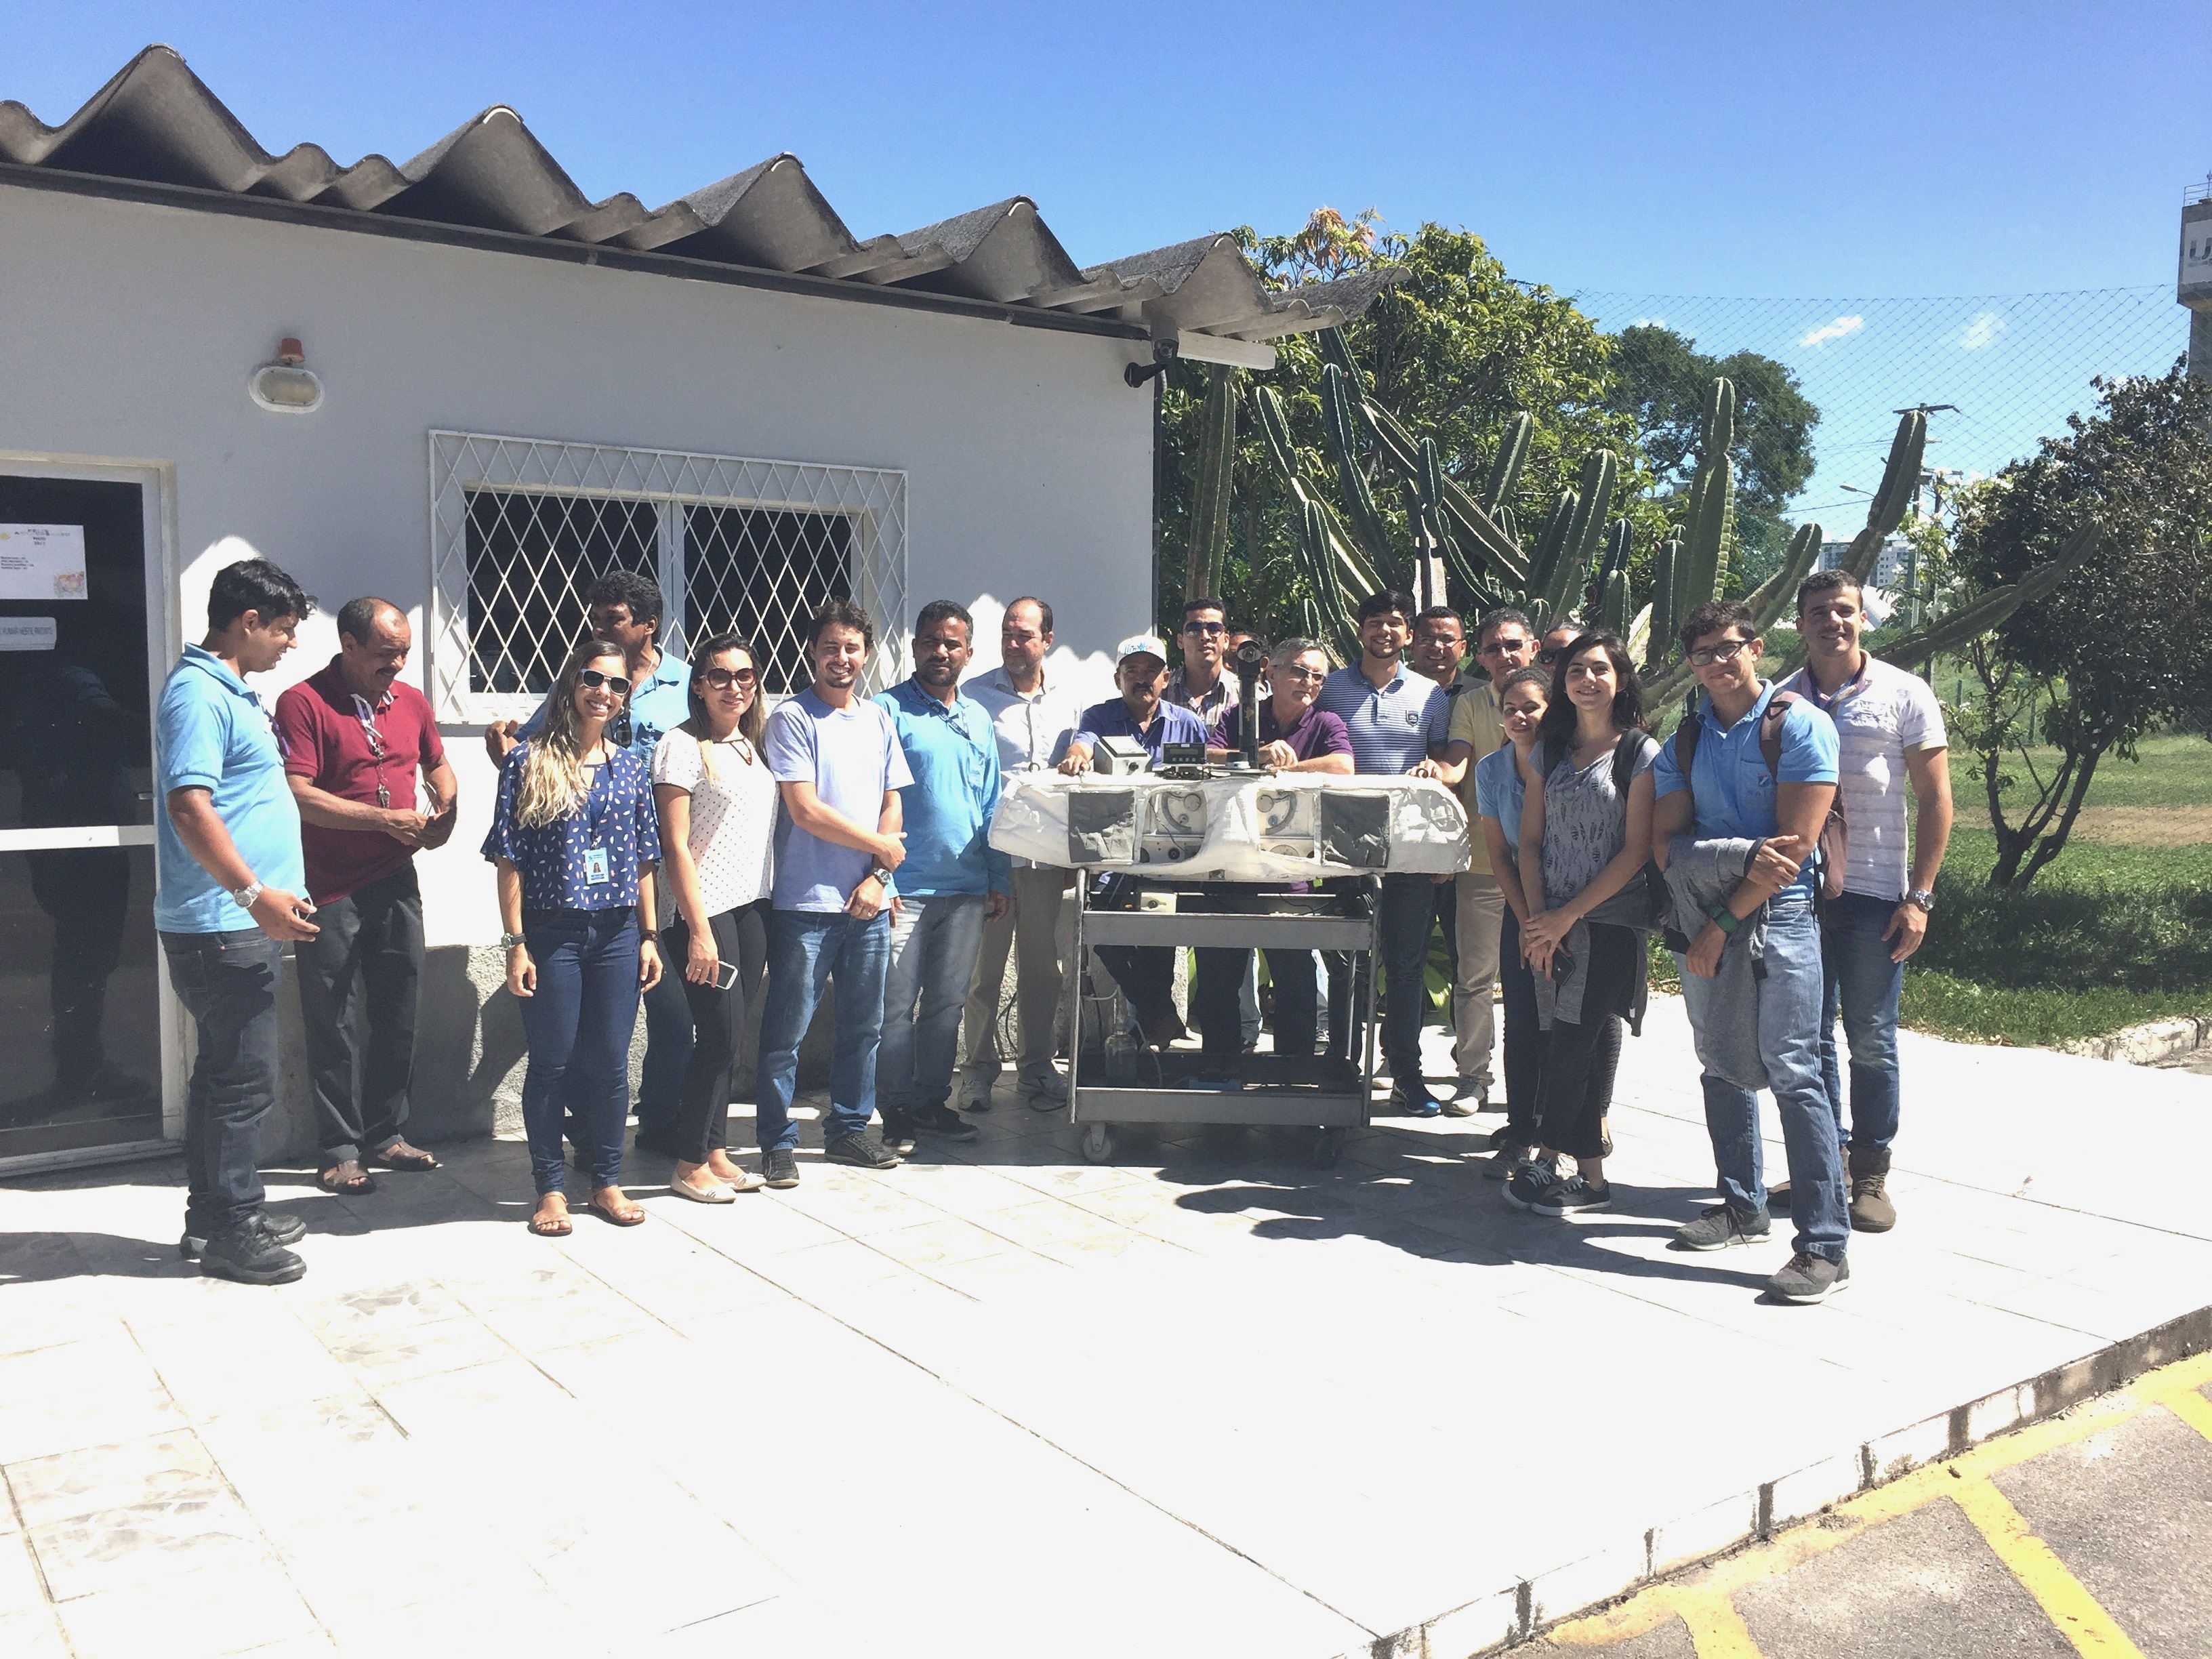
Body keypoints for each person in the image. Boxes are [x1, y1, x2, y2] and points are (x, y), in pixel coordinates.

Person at [1652, 600, 1849, 1304]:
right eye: (1702, 655)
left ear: (1756, 648)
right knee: (1719, 1066)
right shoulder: (1685, 739)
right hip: (1709, 911)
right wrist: (1738, 857)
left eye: (1727, 648)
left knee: (1796, 1071)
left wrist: (1718, 925)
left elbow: (1790, 857)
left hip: (1784, 922)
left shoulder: (1799, 726)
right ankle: (1741, 1206)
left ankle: (1825, 1245)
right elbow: (1666, 847)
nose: (1716, 663)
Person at [483, 571, 695, 1158]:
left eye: (614, 619)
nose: (600, 628)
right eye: (596, 619)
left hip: (662, 872)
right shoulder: (571, 688)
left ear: (649, 626)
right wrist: (504, 753)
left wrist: (649, 930)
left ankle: (653, 1123)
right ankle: (575, 1147)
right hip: (571, 897)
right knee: (568, 1049)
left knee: (670, 1024)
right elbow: (529, 763)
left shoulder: (686, 685)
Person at [156, 558, 320, 1284]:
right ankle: (230, 1231)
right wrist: (254, 895)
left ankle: (218, 1212)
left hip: (238, 919)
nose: (289, 645)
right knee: (244, 1081)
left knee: (225, 1075)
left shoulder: (234, 691)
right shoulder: (198, 693)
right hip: (224, 923)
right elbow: (190, 806)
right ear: (247, 622)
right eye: (283, 631)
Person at [1774, 569, 1952, 1232]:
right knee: (1806, 1040)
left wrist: (1921, 897)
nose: (1832, 621)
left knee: (1871, 1038)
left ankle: (1870, 1173)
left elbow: (1936, 799)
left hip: (1879, 897)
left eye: (1843, 610)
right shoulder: (1784, 700)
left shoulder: (1906, 693)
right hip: (1800, 897)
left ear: (1862, 619)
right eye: (1818, 611)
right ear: (1801, 624)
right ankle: (1825, 1163)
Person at [276, 598, 458, 1200]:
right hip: (326, 885)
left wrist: (445, 809)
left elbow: (439, 765)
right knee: (334, 1018)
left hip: (395, 880)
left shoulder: (410, 701)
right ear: (349, 645)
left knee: (400, 1006)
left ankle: (387, 1132)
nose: (398, 664)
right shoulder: (304, 702)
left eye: (404, 651)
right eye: (385, 654)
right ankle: (339, 1149)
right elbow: (299, 795)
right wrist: (383, 820)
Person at [484, 639, 664, 1235]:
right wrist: (515, 944)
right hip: (552, 931)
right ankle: (551, 1188)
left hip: (616, 932)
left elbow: (645, 860)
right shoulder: (528, 762)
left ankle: (606, 1182)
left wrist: (649, 936)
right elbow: (508, 859)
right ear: (569, 683)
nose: (603, 693)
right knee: (553, 1063)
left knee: (611, 1065)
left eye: (616, 685)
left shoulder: (631, 767)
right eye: (592, 679)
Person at [754, 601, 912, 1185]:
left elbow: (893, 798)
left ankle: (848, 1131)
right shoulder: (792, 719)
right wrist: (883, 847)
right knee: (786, 1032)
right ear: (812, 651)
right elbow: (806, 809)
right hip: (805, 904)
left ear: (865, 654)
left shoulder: (877, 719)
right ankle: (777, 1141)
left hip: (868, 904)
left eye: (851, 648)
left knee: (863, 1025)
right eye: (830, 647)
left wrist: (880, 876)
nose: (840, 658)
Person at [1501, 632, 1658, 1217]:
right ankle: (1592, 1181)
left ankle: (1548, 1158)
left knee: (1574, 1043)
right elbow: (1531, 841)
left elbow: (1636, 850)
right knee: (1564, 1044)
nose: (1586, 680)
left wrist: (1568, 916)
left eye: (1599, 669)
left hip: (1608, 924)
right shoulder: (1548, 750)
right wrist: (1539, 921)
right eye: (1575, 671)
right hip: (1552, 925)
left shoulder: (1639, 753)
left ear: (1620, 678)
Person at [874, 600, 1010, 1153]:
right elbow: (871, 802)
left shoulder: (978, 717)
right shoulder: (886, 711)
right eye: (930, 641)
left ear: (969, 653)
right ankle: (895, 1108)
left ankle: (932, 1101)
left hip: (968, 888)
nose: (940, 652)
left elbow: (991, 801)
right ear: (915, 647)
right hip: (905, 888)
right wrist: (878, 878)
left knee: (947, 1005)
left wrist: (997, 877)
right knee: (894, 1010)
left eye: (952, 643)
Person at [1315, 590, 1453, 1115]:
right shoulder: (1329, 689)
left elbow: (1440, 764)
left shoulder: (1430, 695)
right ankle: (1342, 1067)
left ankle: (1406, 1075)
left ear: (1408, 634)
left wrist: (1432, 771)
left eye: (1395, 623)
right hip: (1343, 844)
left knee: (1406, 963)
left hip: (1409, 845)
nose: (1385, 632)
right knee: (1346, 959)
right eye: (1376, 622)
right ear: (1360, 629)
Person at [651, 631, 776, 1203]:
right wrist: (697, 930)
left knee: (732, 1033)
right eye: (720, 676)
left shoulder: (749, 745)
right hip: (704, 910)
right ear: (698, 685)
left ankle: (716, 1149)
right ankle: (687, 1161)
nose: (734, 687)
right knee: (719, 1034)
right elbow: (674, 846)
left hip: (751, 904)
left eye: (744, 676)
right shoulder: (680, 746)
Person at [1194, 636, 1353, 1065]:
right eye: (1300, 671)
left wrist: (1285, 769)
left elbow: (1343, 765)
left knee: (1296, 979)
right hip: (1228, 869)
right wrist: (1258, 754)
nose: (1309, 682)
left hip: (1290, 873)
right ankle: (1220, 1067)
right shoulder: (1238, 714)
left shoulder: (1326, 722)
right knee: (1219, 978)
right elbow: (1206, 756)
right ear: (1270, 670)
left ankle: (1295, 1071)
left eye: (1318, 675)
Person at [958, 597, 1085, 1113]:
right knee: (983, 973)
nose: (1014, 644)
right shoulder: (973, 697)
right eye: (1008, 634)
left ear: (1047, 640)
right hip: (991, 857)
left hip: (1045, 860)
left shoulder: (1071, 702)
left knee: (1042, 970)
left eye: (1025, 635)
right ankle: (978, 1071)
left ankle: (1037, 1067)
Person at [1060, 634, 1210, 1046]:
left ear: (1166, 678)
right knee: (1103, 932)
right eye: (1132, 672)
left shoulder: (1188, 722)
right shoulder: (1099, 716)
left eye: (1150, 672)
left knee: (1159, 948)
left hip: (1170, 858)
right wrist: (1076, 755)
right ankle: (1163, 1018)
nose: (1141, 680)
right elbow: (1084, 744)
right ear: (1118, 679)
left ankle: (1152, 1039)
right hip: (1114, 857)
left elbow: (1206, 778)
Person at [1435, 607, 1536, 1115]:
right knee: (1475, 977)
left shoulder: (1556, 702)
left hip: (1544, 867)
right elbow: (1457, 762)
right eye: (1494, 648)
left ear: (1532, 649)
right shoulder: (1472, 703)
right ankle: (1473, 1076)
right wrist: (1435, 773)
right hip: (1481, 862)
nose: (1504, 655)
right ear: (1480, 656)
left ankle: (1536, 1082)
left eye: (1513, 645)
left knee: (1538, 977)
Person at [1473, 665, 1551, 1177]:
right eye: (1510, 709)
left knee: (1568, 1029)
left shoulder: (1566, 764)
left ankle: (1563, 1136)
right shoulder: (1491, 770)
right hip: (1523, 913)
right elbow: (1499, 853)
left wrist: (1552, 920)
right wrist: (1526, 921)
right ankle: (1521, 1132)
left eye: (1531, 707)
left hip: (1574, 910)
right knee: (1521, 1023)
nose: (1519, 717)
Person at [1163, 596, 1239, 724]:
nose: (1204, 637)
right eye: (1194, 629)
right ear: (1180, 640)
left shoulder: (1247, 695)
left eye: (1214, 628)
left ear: (1226, 641)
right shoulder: (1160, 691)